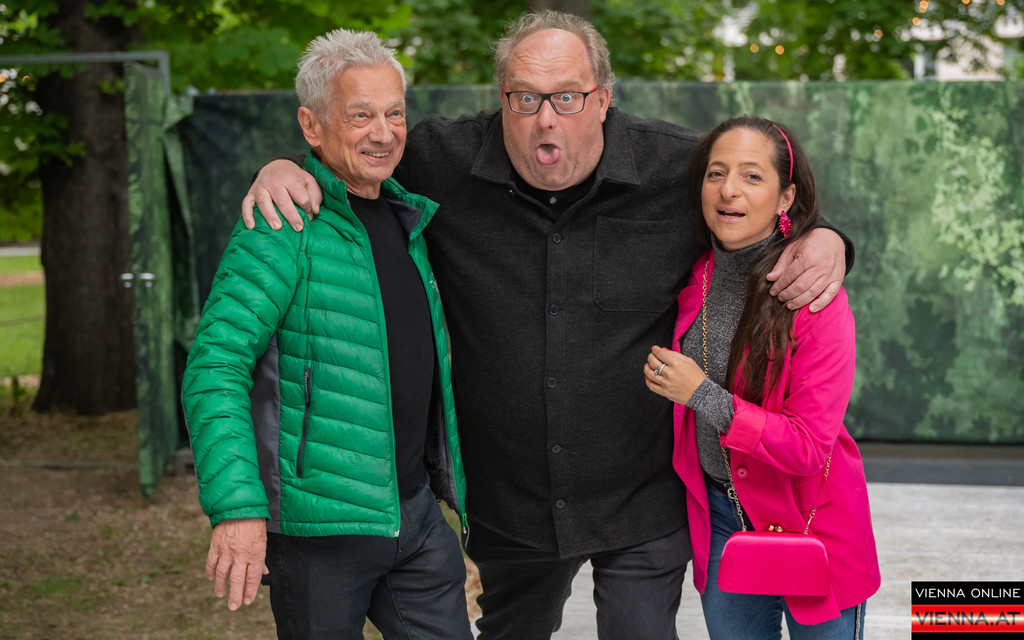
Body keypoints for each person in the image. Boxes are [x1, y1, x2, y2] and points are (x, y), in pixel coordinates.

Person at [242, 11, 852, 639]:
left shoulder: (678, 166)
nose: (546, 118)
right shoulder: (436, 160)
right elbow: (351, 155)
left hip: (642, 497)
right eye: (525, 97)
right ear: (502, 97)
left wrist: (827, 237)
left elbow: (759, 201)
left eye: (567, 96)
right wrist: (284, 167)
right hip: (512, 504)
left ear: (603, 99)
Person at [181, 28, 473, 640]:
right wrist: (238, 508)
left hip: (415, 520)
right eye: (360, 115)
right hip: (319, 535)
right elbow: (215, 366)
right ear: (311, 126)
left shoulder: (411, 219)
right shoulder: (280, 225)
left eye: (394, 113)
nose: (383, 133)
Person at [644, 116, 880, 638]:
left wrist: (700, 394)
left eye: (752, 176)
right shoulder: (692, 275)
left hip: (811, 523)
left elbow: (807, 448)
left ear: (785, 197)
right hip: (722, 519)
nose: (729, 190)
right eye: (716, 173)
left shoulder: (811, 294)